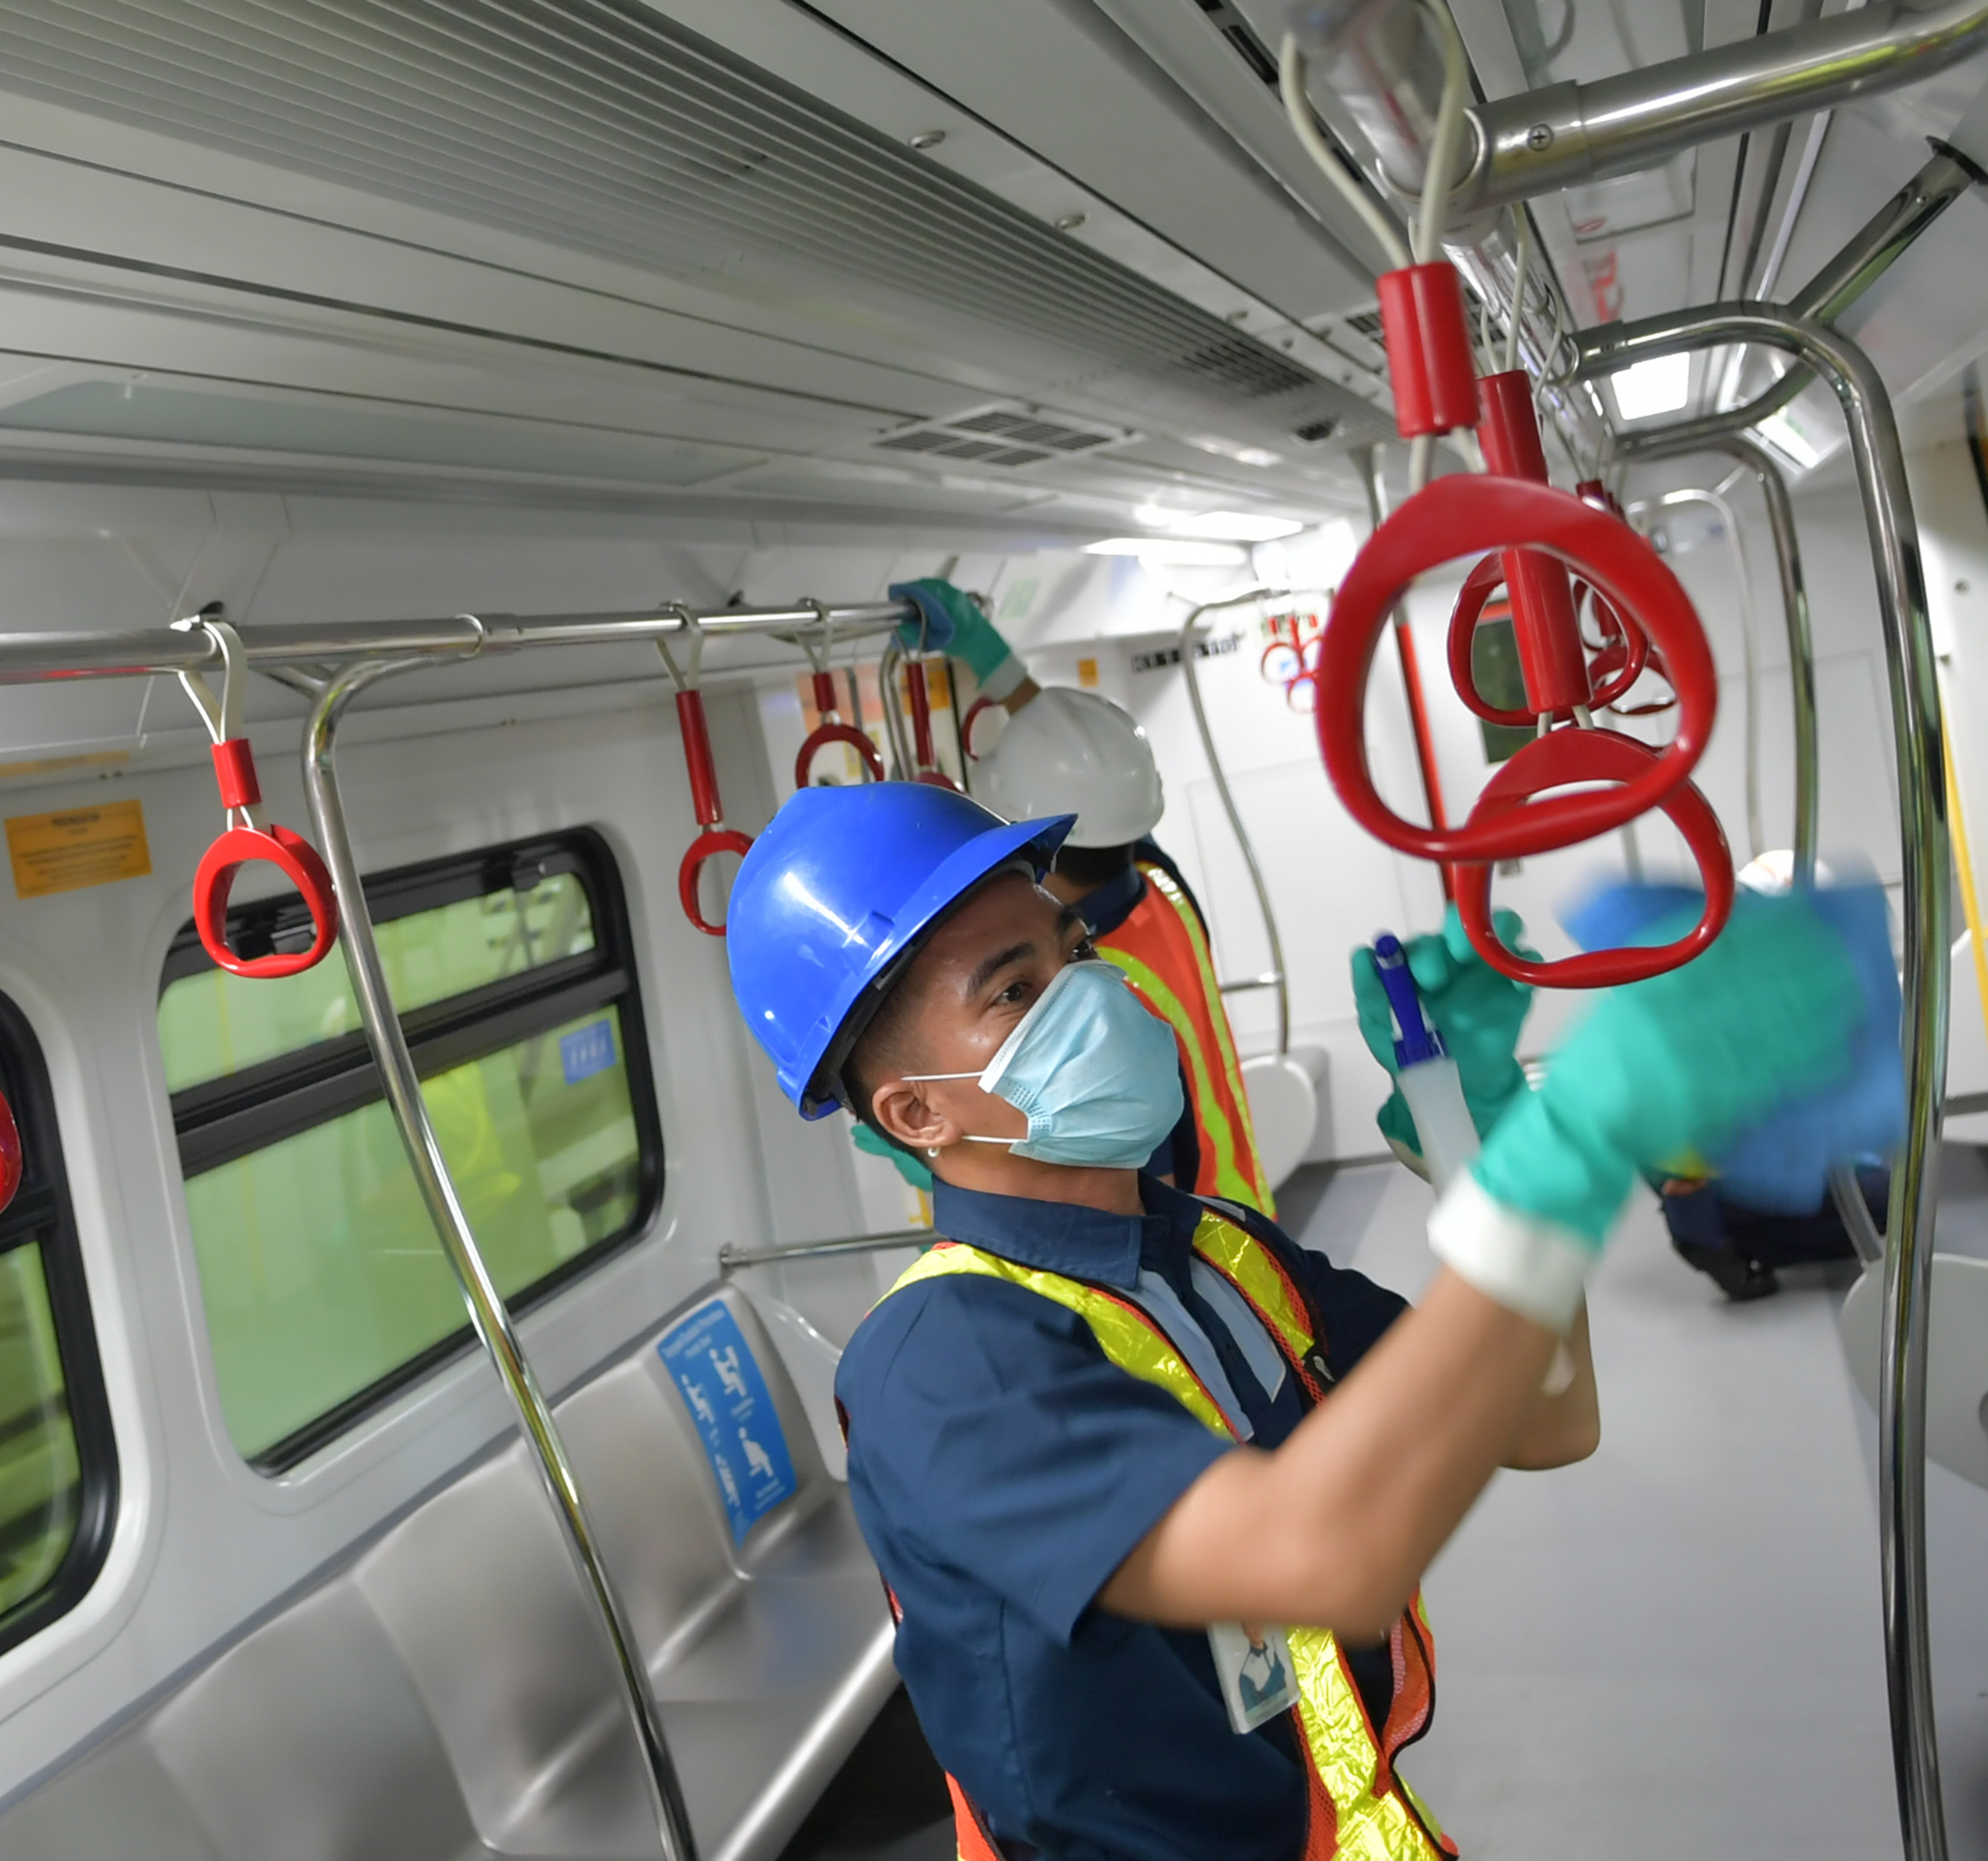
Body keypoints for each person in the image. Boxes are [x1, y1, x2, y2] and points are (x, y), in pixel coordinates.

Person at [724, 780, 1885, 1861]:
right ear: (918, 1110)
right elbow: (1316, 1554)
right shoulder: (942, 1364)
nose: (1091, 990)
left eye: (1072, 950)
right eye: (1016, 990)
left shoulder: (1216, 1252)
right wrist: (1578, 1136)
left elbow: (1545, 1415)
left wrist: (1468, 1117)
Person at [879, 580, 1278, 1215]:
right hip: (1245, 1215)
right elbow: (1096, 786)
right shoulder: (1160, 883)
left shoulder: (1090, 997)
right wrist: (994, 661)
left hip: (1199, 1245)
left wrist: (948, 1165)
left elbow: (1143, 1190)